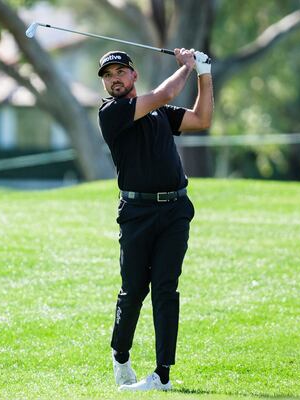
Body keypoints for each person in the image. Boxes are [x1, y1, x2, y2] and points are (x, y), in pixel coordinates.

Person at [97, 48, 213, 391]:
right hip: (136, 214)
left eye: (120, 72)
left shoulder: (160, 114)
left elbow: (201, 119)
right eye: (107, 75)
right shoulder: (111, 113)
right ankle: (121, 356)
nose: (113, 79)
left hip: (175, 210)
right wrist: (189, 66)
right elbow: (165, 92)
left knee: (165, 288)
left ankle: (162, 375)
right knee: (133, 290)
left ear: (134, 75)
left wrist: (205, 74)